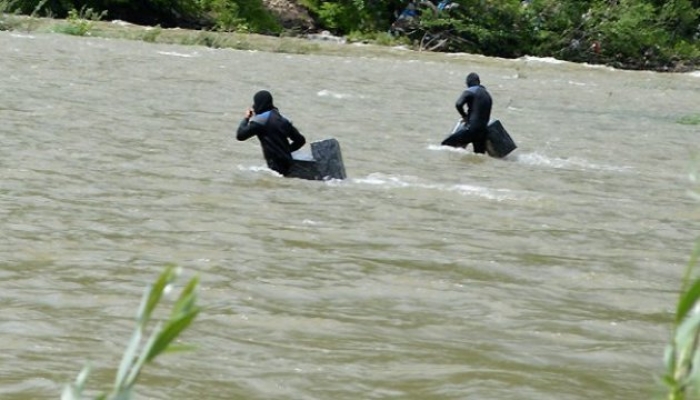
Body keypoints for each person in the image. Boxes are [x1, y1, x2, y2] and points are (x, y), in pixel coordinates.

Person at [236, 90, 306, 176]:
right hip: (289, 165)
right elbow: (301, 140)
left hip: (275, 167)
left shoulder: (261, 121)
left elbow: (240, 135)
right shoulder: (283, 120)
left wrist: (246, 118)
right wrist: (286, 151)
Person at [441, 72, 493, 153]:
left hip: (471, 129)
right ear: (479, 81)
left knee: (445, 146)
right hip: (483, 132)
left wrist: (464, 116)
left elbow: (458, 104)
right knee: (479, 156)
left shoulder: (471, 90)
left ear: (468, 83)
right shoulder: (487, 94)